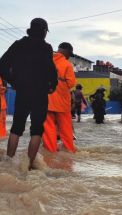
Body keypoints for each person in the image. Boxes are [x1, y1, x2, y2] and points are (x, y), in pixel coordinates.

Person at [0, 18, 57, 170]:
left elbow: (2, 65)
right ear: (44, 31)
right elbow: (51, 70)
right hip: (40, 92)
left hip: (23, 91)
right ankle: (30, 165)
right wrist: (53, 85)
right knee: (37, 130)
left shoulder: (18, 45)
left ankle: (9, 163)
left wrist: (14, 81)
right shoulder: (46, 47)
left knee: (16, 128)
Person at [42, 42, 77, 153]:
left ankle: (51, 152)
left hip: (46, 101)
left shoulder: (45, 61)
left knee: (48, 129)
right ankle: (69, 150)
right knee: (66, 129)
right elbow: (71, 83)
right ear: (66, 51)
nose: (68, 57)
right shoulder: (67, 65)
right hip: (62, 103)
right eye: (69, 55)